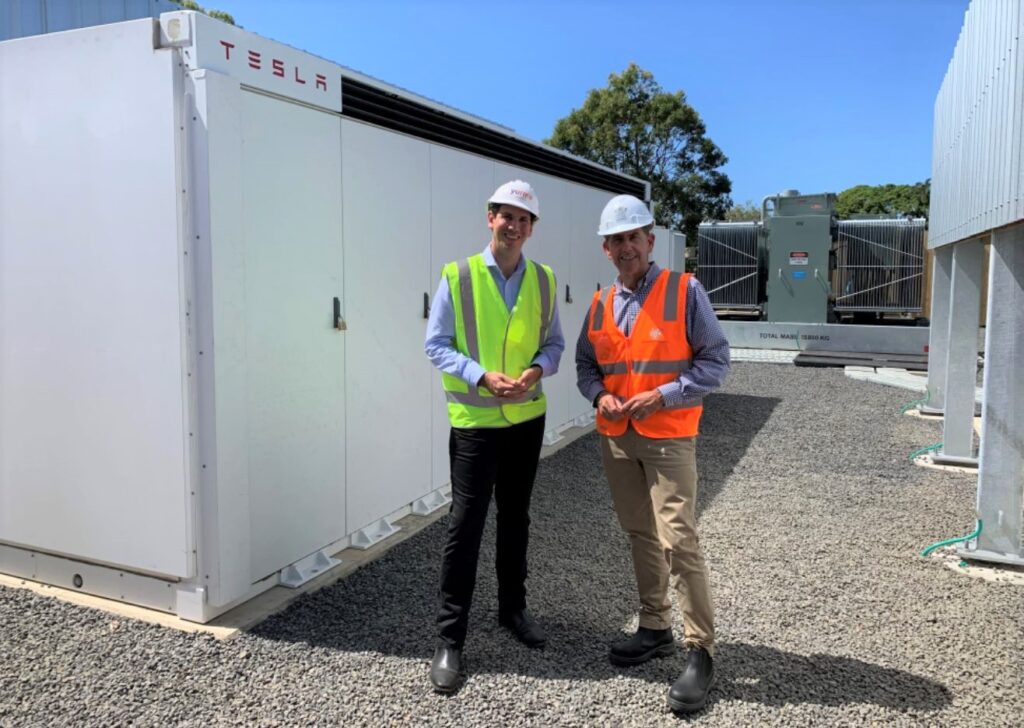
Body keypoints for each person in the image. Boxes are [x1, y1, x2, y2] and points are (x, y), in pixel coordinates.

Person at [575, 194, 729, 714]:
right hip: (618, 438)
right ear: (606, 248)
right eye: (615, 240)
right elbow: (586, 367)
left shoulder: (685, 291)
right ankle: (655, 625)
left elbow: (716, 360)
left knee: (679, 539)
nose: (625, 247)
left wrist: (663, 395)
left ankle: (700, 649)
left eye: (633, 237)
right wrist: (600, 395)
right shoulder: (600, 303)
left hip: (668, 436)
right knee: (640, 533)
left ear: (650, 239)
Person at [424, 180, 564, 694]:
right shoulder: (458, 276)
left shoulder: (544, 279)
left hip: (526, 419)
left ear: (532, 228)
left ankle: (513, 610)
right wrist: (481, 376)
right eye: (507, 216)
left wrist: (537, 369)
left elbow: (555, 344)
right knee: (465, 527)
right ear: (490, 218)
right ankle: (450, 639)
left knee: (516, 518)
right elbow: (436, 344)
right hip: (476, 425)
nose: (514, 226)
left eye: (524, 220)